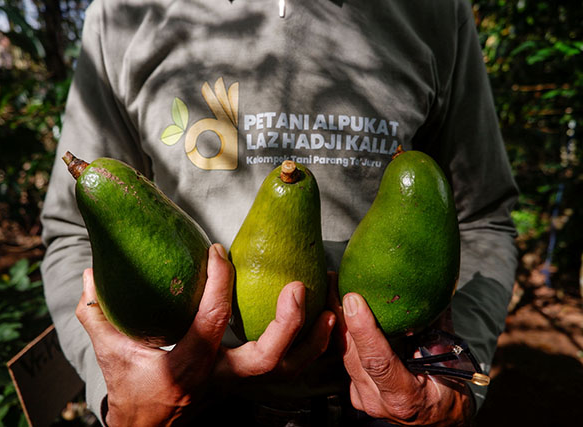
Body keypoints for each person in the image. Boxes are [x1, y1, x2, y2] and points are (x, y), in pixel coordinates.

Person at [40, 0, 518, 425]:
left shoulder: (437, 11)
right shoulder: (125, 11)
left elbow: (481, 218)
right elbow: (73, 230)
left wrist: (452, 379)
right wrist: (120, 394)